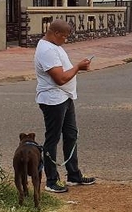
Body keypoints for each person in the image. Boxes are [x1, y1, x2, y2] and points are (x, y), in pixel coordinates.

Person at [34, 19, 95, 193]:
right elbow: (59, 78)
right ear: (55, 33)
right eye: (65, 37)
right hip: (53, 100)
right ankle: (51, 180)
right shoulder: (46, 50)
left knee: (71, 134)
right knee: (52, 139)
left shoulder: (54, 46)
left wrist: (77, 67)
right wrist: (78, 67)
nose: (66, 40)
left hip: (65, 97)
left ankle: (73, 175)